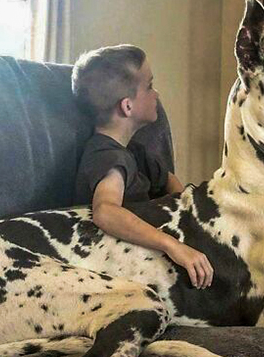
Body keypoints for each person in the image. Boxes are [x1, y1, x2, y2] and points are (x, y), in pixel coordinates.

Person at [71, 45, 213, 290]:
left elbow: (172, 185)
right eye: (149, 86)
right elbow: (105, 210)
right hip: (118, 267)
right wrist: (173, 246)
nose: (156, 94)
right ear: (127, 106)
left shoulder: (135, 151)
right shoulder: (106, 156)